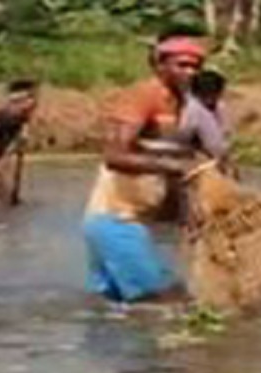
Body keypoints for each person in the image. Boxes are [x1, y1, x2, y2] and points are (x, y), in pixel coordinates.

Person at [82, 35, 207, 303]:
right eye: (182, 65)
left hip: (137, 222)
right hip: (117, 219)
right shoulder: (143, 96)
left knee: (115, 310)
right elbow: (114, 156)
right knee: (166, 301)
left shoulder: (184, 105)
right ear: (160, 66)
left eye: (196, 67)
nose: (190, 72)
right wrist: (175, 167)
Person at [178, 69, 239, 179]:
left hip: (218, 158)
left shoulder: (218, 107)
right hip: (198, 159)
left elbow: (224, 134)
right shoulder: (193, 110)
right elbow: (185, 135)